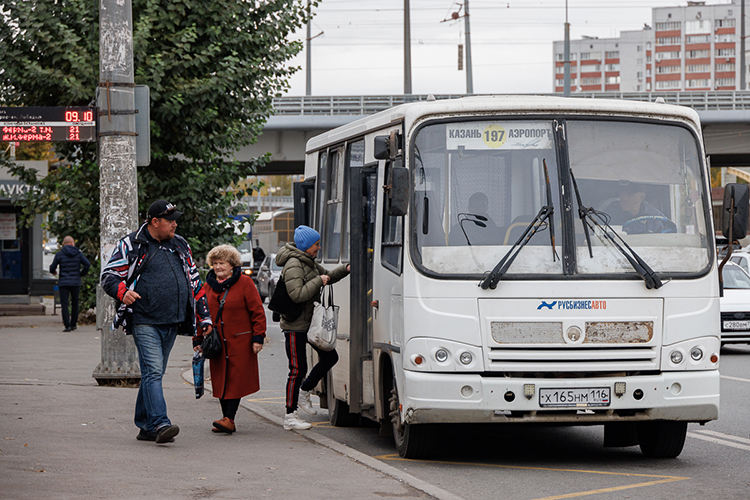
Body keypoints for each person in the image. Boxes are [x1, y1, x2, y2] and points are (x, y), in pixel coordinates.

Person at [100, 200, 213, 444]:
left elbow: (194, 281)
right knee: (152, 371)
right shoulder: (132, 243)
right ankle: (160, 422)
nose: (175, 224)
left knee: (156, 372)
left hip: (172, 320)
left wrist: (204, 317)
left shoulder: (180, 244)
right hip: (144, 319)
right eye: (170, 220)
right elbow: (108, 275)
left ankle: (144, 426)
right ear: (154, 222)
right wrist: (122, 292)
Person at [275, 225, 350, 431]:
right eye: (316, 244)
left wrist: (346, 269)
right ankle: (290, 416)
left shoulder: (308, 262)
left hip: (308, 324)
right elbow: (297, 295)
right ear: (307, 246)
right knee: (297, 370)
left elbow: (328, 276)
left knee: (330, 357)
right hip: (294, 325)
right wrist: (319, 281)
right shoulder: (294, 265)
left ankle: (304, 391)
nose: (319, 247)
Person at [194, 244, 266, 434]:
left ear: (232, 265)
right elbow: (200, 314)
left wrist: (258, 337)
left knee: (235, 379)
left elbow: (258, 312)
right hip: (216, 343)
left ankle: (229, 418)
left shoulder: (245, 283)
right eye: (215, 263)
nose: (218, 267)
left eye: (222, 263)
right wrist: (198, 338)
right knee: (220, 380)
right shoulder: (208, 285)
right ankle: (227, 418)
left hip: (240, 342)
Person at [49, 236, 91, 332]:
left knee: (65, 303)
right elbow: (87, 264)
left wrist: (54, 272)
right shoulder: (78, 254)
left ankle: (67, 325)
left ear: (64, 243)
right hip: (75, 282)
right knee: (75, 303)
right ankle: (74, 324)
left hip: (64, 282)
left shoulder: (59, 254)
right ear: (72, 242)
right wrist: (81, 274)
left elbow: (52, 267)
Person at [604, 182, 676, 235]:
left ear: (642, 197)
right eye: (622, 194)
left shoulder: (656, 217)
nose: (624, 198)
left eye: (630, 195)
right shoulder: (609, 214)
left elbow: (667, 238)